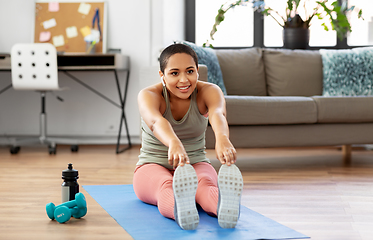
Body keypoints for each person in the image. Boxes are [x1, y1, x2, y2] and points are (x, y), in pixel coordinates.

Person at [133, 43, 243, 230]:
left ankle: (223, 207)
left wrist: (222, 139)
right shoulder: (149, 95)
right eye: (174, 73)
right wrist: (174, 142)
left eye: (190, 71)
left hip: (195, 162)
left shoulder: (209, 91)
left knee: (205, 185)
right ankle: (180, 208)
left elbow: (218, 114)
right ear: (162, 75)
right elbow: (156, 122)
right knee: (165, 186)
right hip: (152, 164)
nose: (184, 80)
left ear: (197, 72)